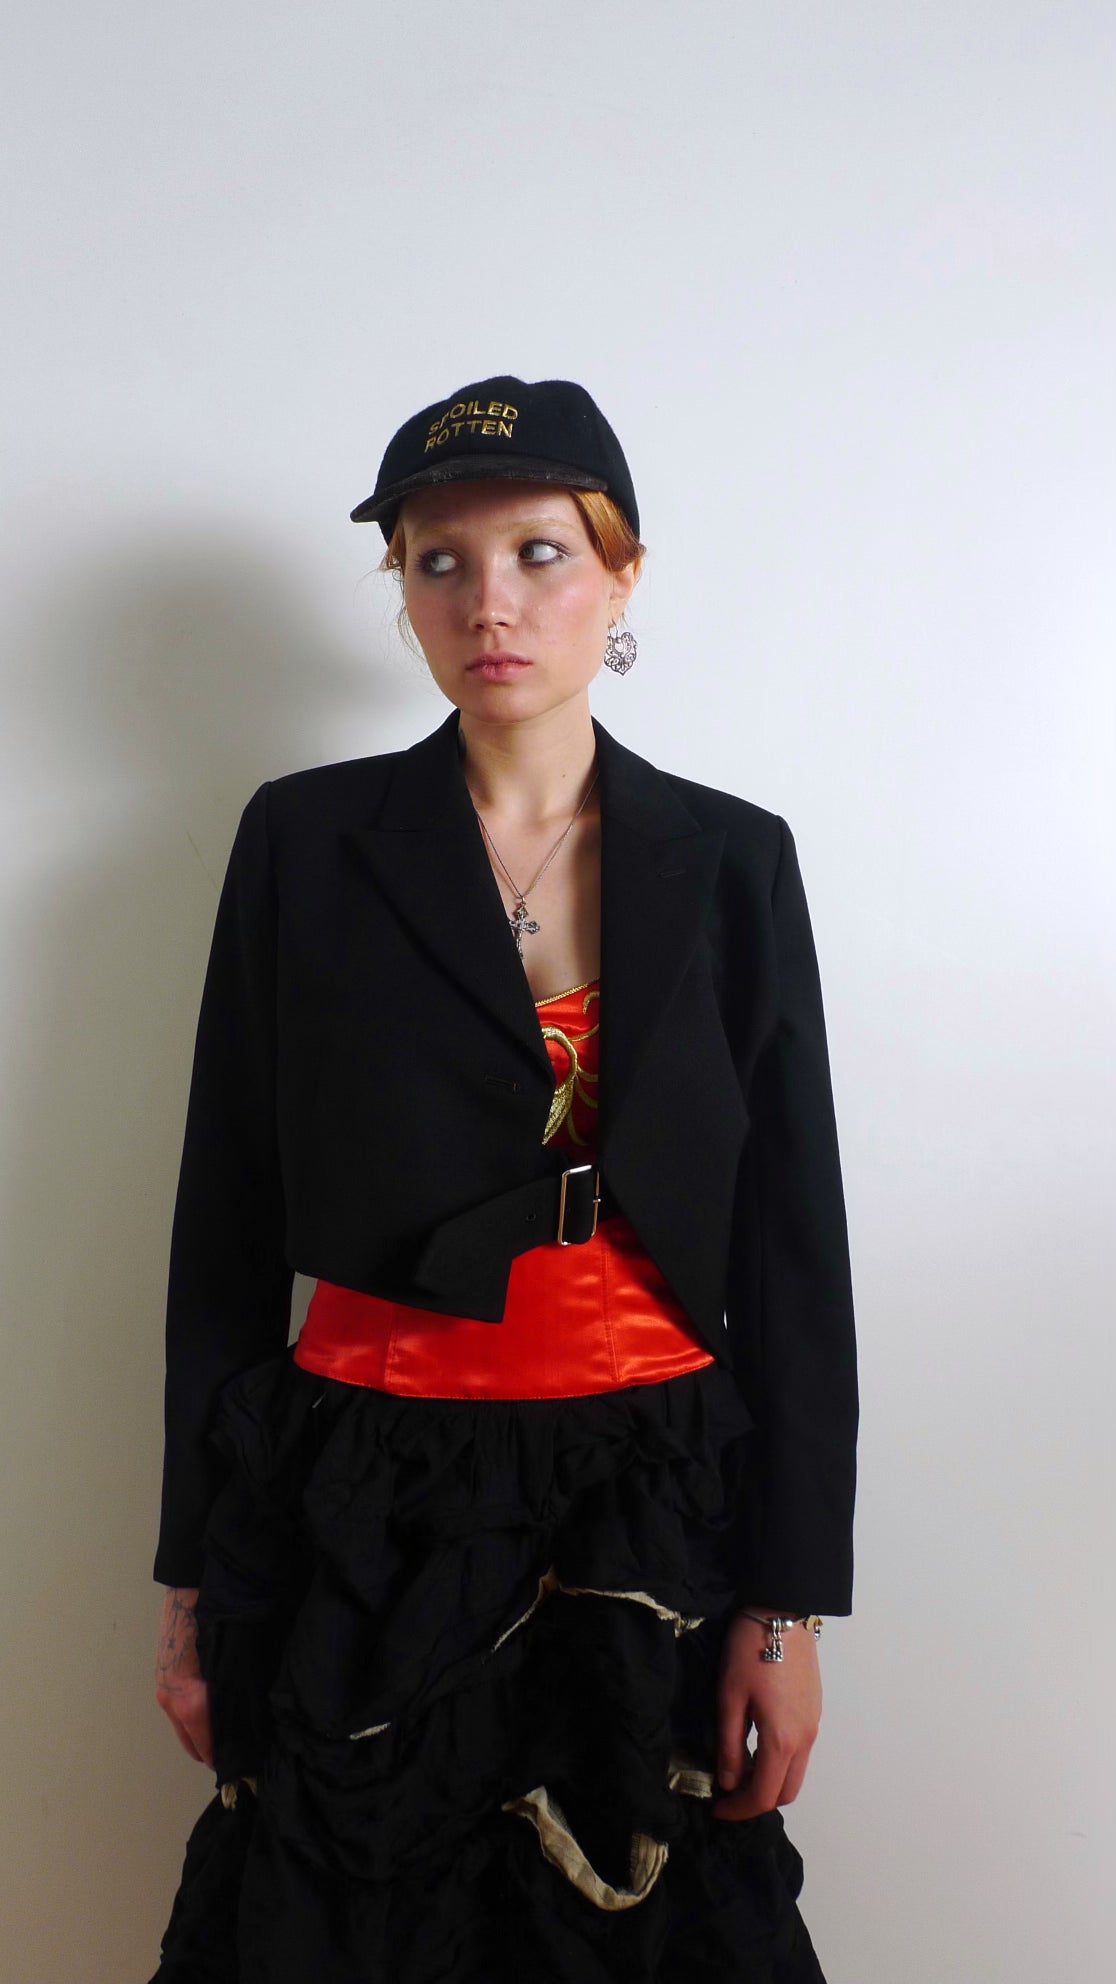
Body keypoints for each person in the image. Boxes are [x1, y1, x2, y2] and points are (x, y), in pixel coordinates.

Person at [149, 374, 858, 1984]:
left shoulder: (733, 861)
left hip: (646, 1491)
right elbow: (224, 1228)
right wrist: (191, 1583)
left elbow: (793, 1252)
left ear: (622, 573)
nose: (491, 604)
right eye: (439, 561)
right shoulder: (304, 844)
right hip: (365, 1498)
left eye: (540, 552)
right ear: (400, 588)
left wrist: (788, 1607)